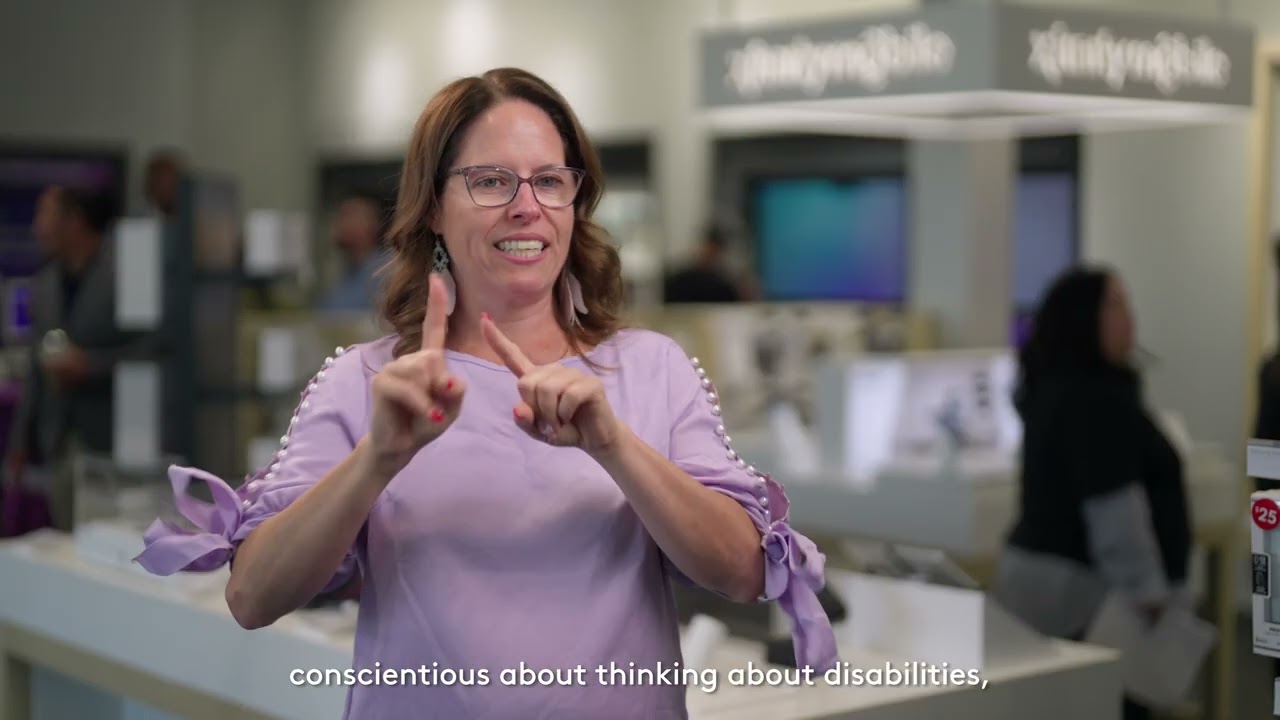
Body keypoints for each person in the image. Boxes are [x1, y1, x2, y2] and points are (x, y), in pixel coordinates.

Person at [134, 67, 837, 719]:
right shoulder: (367, 383)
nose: (526, 207)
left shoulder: (652, 368)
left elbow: (744, 573)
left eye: (550, 181)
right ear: (434, 207)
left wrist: (614, 445)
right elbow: (253, 597)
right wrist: (377, 459)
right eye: (492, 181)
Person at [992, 266, 1191, 720]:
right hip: (1087, 601)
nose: (1130, 317)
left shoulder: (1058, 387)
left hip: (1047, 588)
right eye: (1116, 304)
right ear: (1084, 318)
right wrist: (1149, 593)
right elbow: (1115, 510)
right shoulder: (1093, 399)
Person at [5, 186, 154, 531]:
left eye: (46, 216)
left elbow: (153, 351)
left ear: (74, 221)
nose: (37, 228)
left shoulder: (124, 277)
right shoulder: (44, 286)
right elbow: (35, 370)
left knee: (112, 540)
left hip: (116, 439)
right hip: (60, 441)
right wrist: (19, 444)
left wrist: (91, 366)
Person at [317, 191, 391, 312]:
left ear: (374, 223)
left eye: (348, 215)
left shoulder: (386, 271)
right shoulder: (346, 272)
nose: (339, 223)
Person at [663, 224, 743, 303]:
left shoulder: (726, 284)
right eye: (709, 248)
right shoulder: (679, 280)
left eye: (714, 250)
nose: (711, 253)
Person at [143, 149, 184, 218]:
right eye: (163, 181)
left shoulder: (184, 212)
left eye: (171, 183)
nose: (168, 188)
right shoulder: (140, 216)